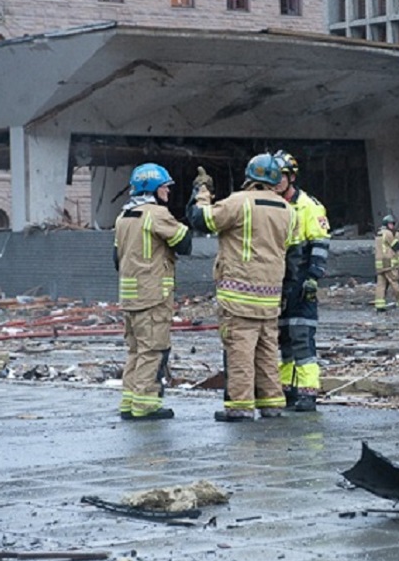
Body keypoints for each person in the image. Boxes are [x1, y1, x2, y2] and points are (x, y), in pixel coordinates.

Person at [187, 156, 298, 422]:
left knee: (240, 351)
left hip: (238, 296)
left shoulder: (239, 202)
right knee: (267, 351)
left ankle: (240, 407)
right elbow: (290, 249)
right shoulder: (287, 210)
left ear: (250, 177)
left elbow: (201, 220)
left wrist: (201, 193)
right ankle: (272, 403)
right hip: (270, 295)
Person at [113, 163, 191, 421]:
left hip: (130, 297)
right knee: (153, 351)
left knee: (136, 350)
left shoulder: (123, 216)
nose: (168, 192)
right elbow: (185, 243)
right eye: (165, 187)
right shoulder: (156, 214)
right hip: (153, 296)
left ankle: (129, 401)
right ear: (153, 188)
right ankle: (146, 406)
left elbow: (116, 258)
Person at [274, 150, 331, 412]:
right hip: (279, 282)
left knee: (301, 337)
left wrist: (312, 278)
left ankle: (308, 392)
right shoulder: (272, 205)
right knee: (284, 339)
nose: (275, 182)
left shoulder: (309, 206)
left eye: (280, 177)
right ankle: (287, 388)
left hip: (300, 280)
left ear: (291, 177)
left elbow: (319, 244)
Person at [374, 214, 399, 311]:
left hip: (379, 264)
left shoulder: (378, 233)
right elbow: (395, 245)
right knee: (394, 282)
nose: (392, 226)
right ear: (387, 224)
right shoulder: (387, 233)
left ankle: (379, 305)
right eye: (391, 224)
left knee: (381, 284)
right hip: (388, 263)